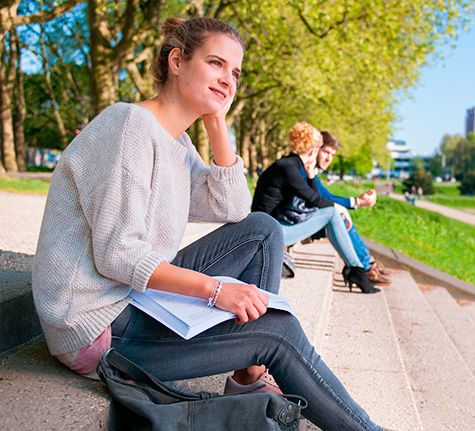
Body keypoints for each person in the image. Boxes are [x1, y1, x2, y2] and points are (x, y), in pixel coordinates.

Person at [31, 17, 382, 430]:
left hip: (130, 298)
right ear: (177, 61)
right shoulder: (129, 126)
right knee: (278, 331)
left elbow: (233, 207)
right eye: (216, 64)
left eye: (234, 73)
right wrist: (217, 291)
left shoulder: (176, 141)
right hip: (95, 322)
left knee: (262, 230)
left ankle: (248, 377)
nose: (228, 80)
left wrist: (217, 121)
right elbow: (118, 255)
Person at [251, 122, 379, 294]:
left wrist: (311, 175)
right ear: (313, 151)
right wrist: (341, 208)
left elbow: (312, 198)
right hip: (271, 232)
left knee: (333, 212)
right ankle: (358, 271)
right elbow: (314, 199)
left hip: (271, 228)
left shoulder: (289, 165)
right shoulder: (288, 168)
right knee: (333, 213)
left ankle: (357, 270)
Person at [309, 131, 393, 285]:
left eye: (332, 154)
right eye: (326, 152)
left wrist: (355, 202)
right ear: (315, 149)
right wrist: (356, 202)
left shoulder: (310, 172)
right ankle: (363, 267)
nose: (329, 158)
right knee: (339, 217)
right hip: (293, 222)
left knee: (341, 214)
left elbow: (325, 196)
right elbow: (322, 198)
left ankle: (365, 263)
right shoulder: (304, 170)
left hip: (303, 216)